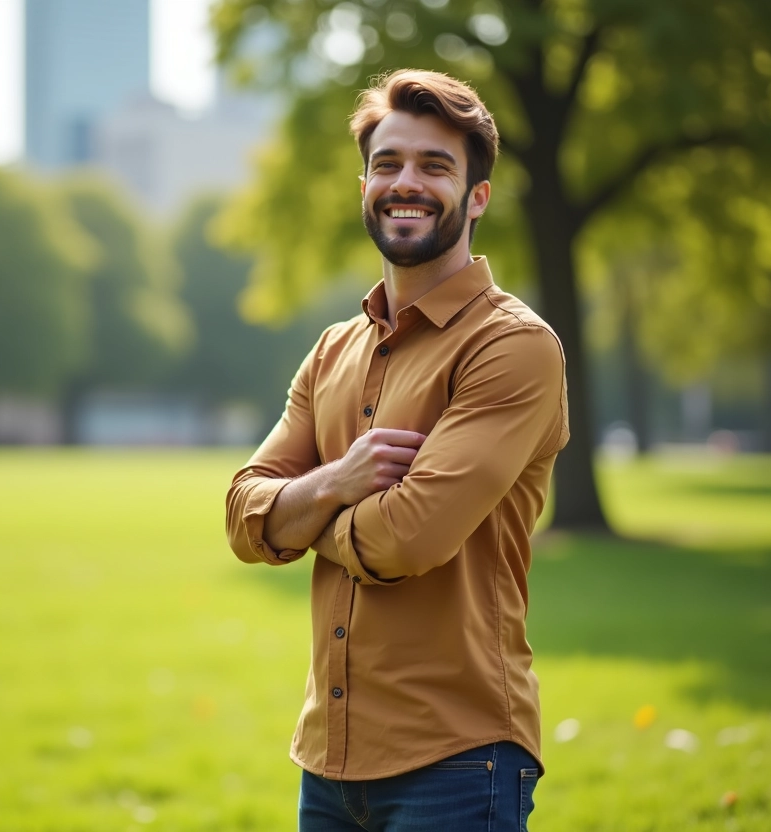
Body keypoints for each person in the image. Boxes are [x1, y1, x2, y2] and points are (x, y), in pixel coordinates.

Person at [224, 68, 569, 831]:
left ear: (477, 197)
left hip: (460, 761)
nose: (405, 183)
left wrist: (302, 514)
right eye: (388, 164)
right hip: (329, 764)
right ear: (364, 187)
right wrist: (340, 481)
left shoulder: (512, 347)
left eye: (434, 167)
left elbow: (407, 538)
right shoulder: (332, 350)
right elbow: (243, 515)